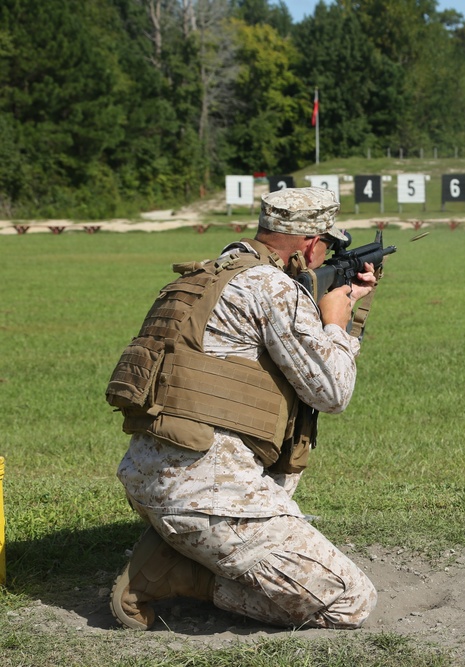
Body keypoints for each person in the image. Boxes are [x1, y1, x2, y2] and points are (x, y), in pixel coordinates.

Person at [106, 186, 379, 631]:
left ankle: (178, 547)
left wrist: (348, 305)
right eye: (326, 245)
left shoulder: (204, 277)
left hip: (149, 476)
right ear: (311, 243)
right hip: (204, 494)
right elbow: (331, 393)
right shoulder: (270, 287)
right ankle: (187, 574)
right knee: (351, 602)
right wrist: (337, 322)